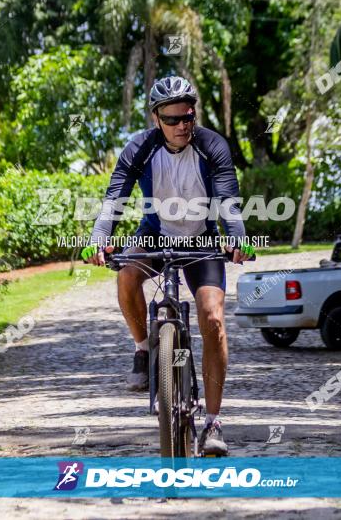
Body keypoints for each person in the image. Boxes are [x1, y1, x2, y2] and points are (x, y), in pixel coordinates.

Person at [81, 76, 251, 456]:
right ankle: (143, 348)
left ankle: (213, 424)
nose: (181, 126)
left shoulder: (212, 146)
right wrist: (99, 237)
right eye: (172, 120)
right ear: (156, 118)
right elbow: (115, 197)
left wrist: (236, 236)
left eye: (187, 117)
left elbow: (228, 198)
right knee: (126, 274)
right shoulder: (139, 148)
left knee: (213, 318)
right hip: (156, 233)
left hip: (202, 239)